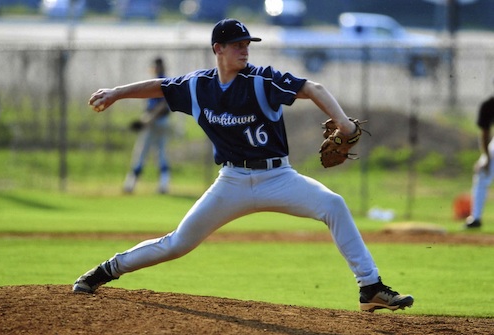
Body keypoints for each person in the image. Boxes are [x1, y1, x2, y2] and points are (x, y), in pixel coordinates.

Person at [74, 19, 414, 312]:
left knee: (333, 205)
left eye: (247, 44)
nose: (245, 49)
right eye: (237, 44)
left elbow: (314, 87)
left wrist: (343, 123)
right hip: (232, 180)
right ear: (217, 49)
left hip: (278, 176)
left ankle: (370, 287)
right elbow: (161, 87)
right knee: (178, 243)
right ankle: (106, 269)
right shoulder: (198, 86)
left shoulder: (261, 81)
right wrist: (116, 92)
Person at [123, 57, 171, 194]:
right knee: (160, 153)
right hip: (156, 120)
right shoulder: (163, 80)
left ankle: (130, 184)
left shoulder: (160, 82)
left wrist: (148, 119)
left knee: (142, 153)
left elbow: (163, 105)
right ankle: (163, 185)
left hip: (157, 121)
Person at [465, 84, 494, 229]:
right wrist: (486, 158)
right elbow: (485, 133)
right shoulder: (489, 105)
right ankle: (475, 219)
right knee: (482, 172)